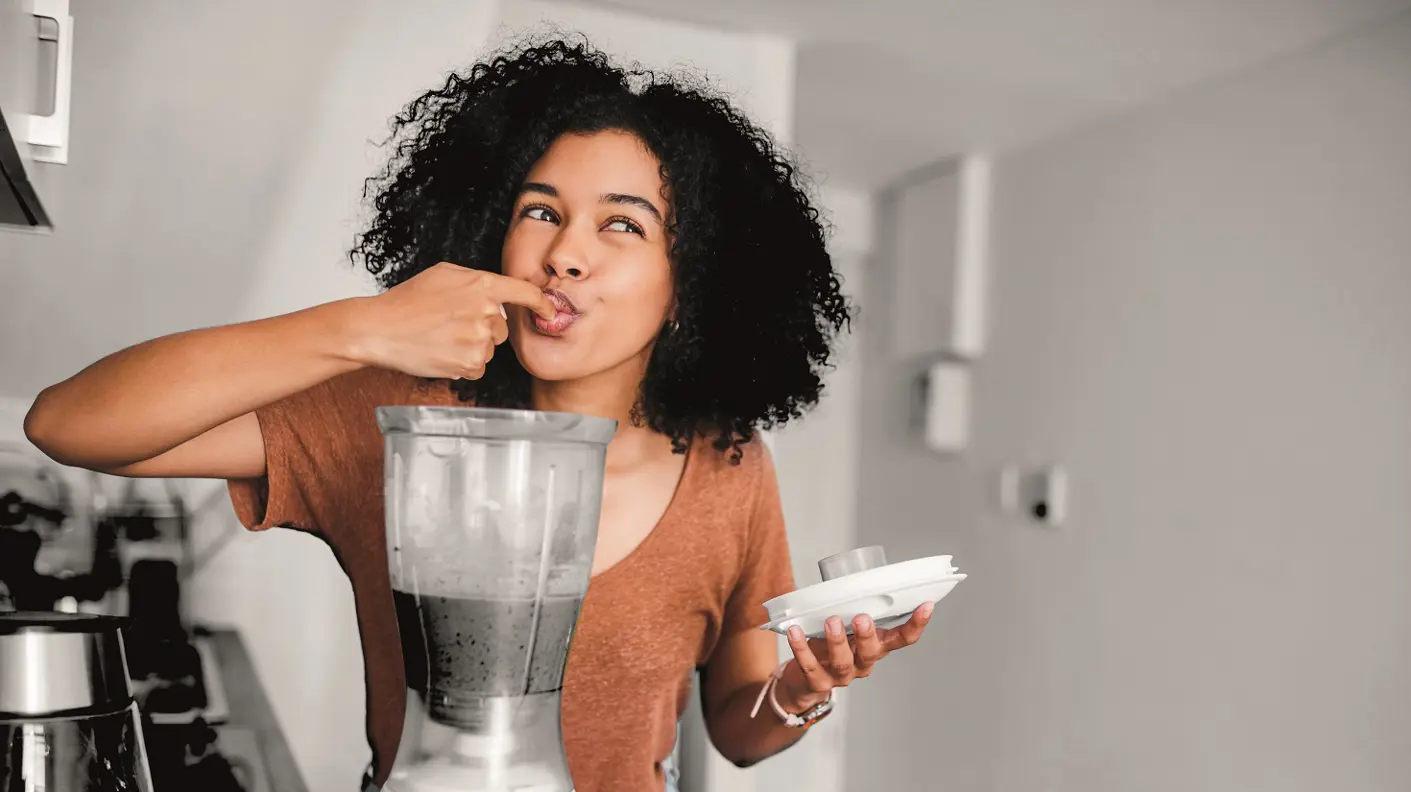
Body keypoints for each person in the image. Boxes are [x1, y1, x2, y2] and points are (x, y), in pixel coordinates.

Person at [24, 38, 937, 792]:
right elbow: (68, 424)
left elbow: (739, 733)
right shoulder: (401, 418)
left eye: (621, 224)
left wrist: (801, 690)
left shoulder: (728, 467)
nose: (564, 253)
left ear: (689, 285)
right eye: (541, 211)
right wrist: (364, 328)